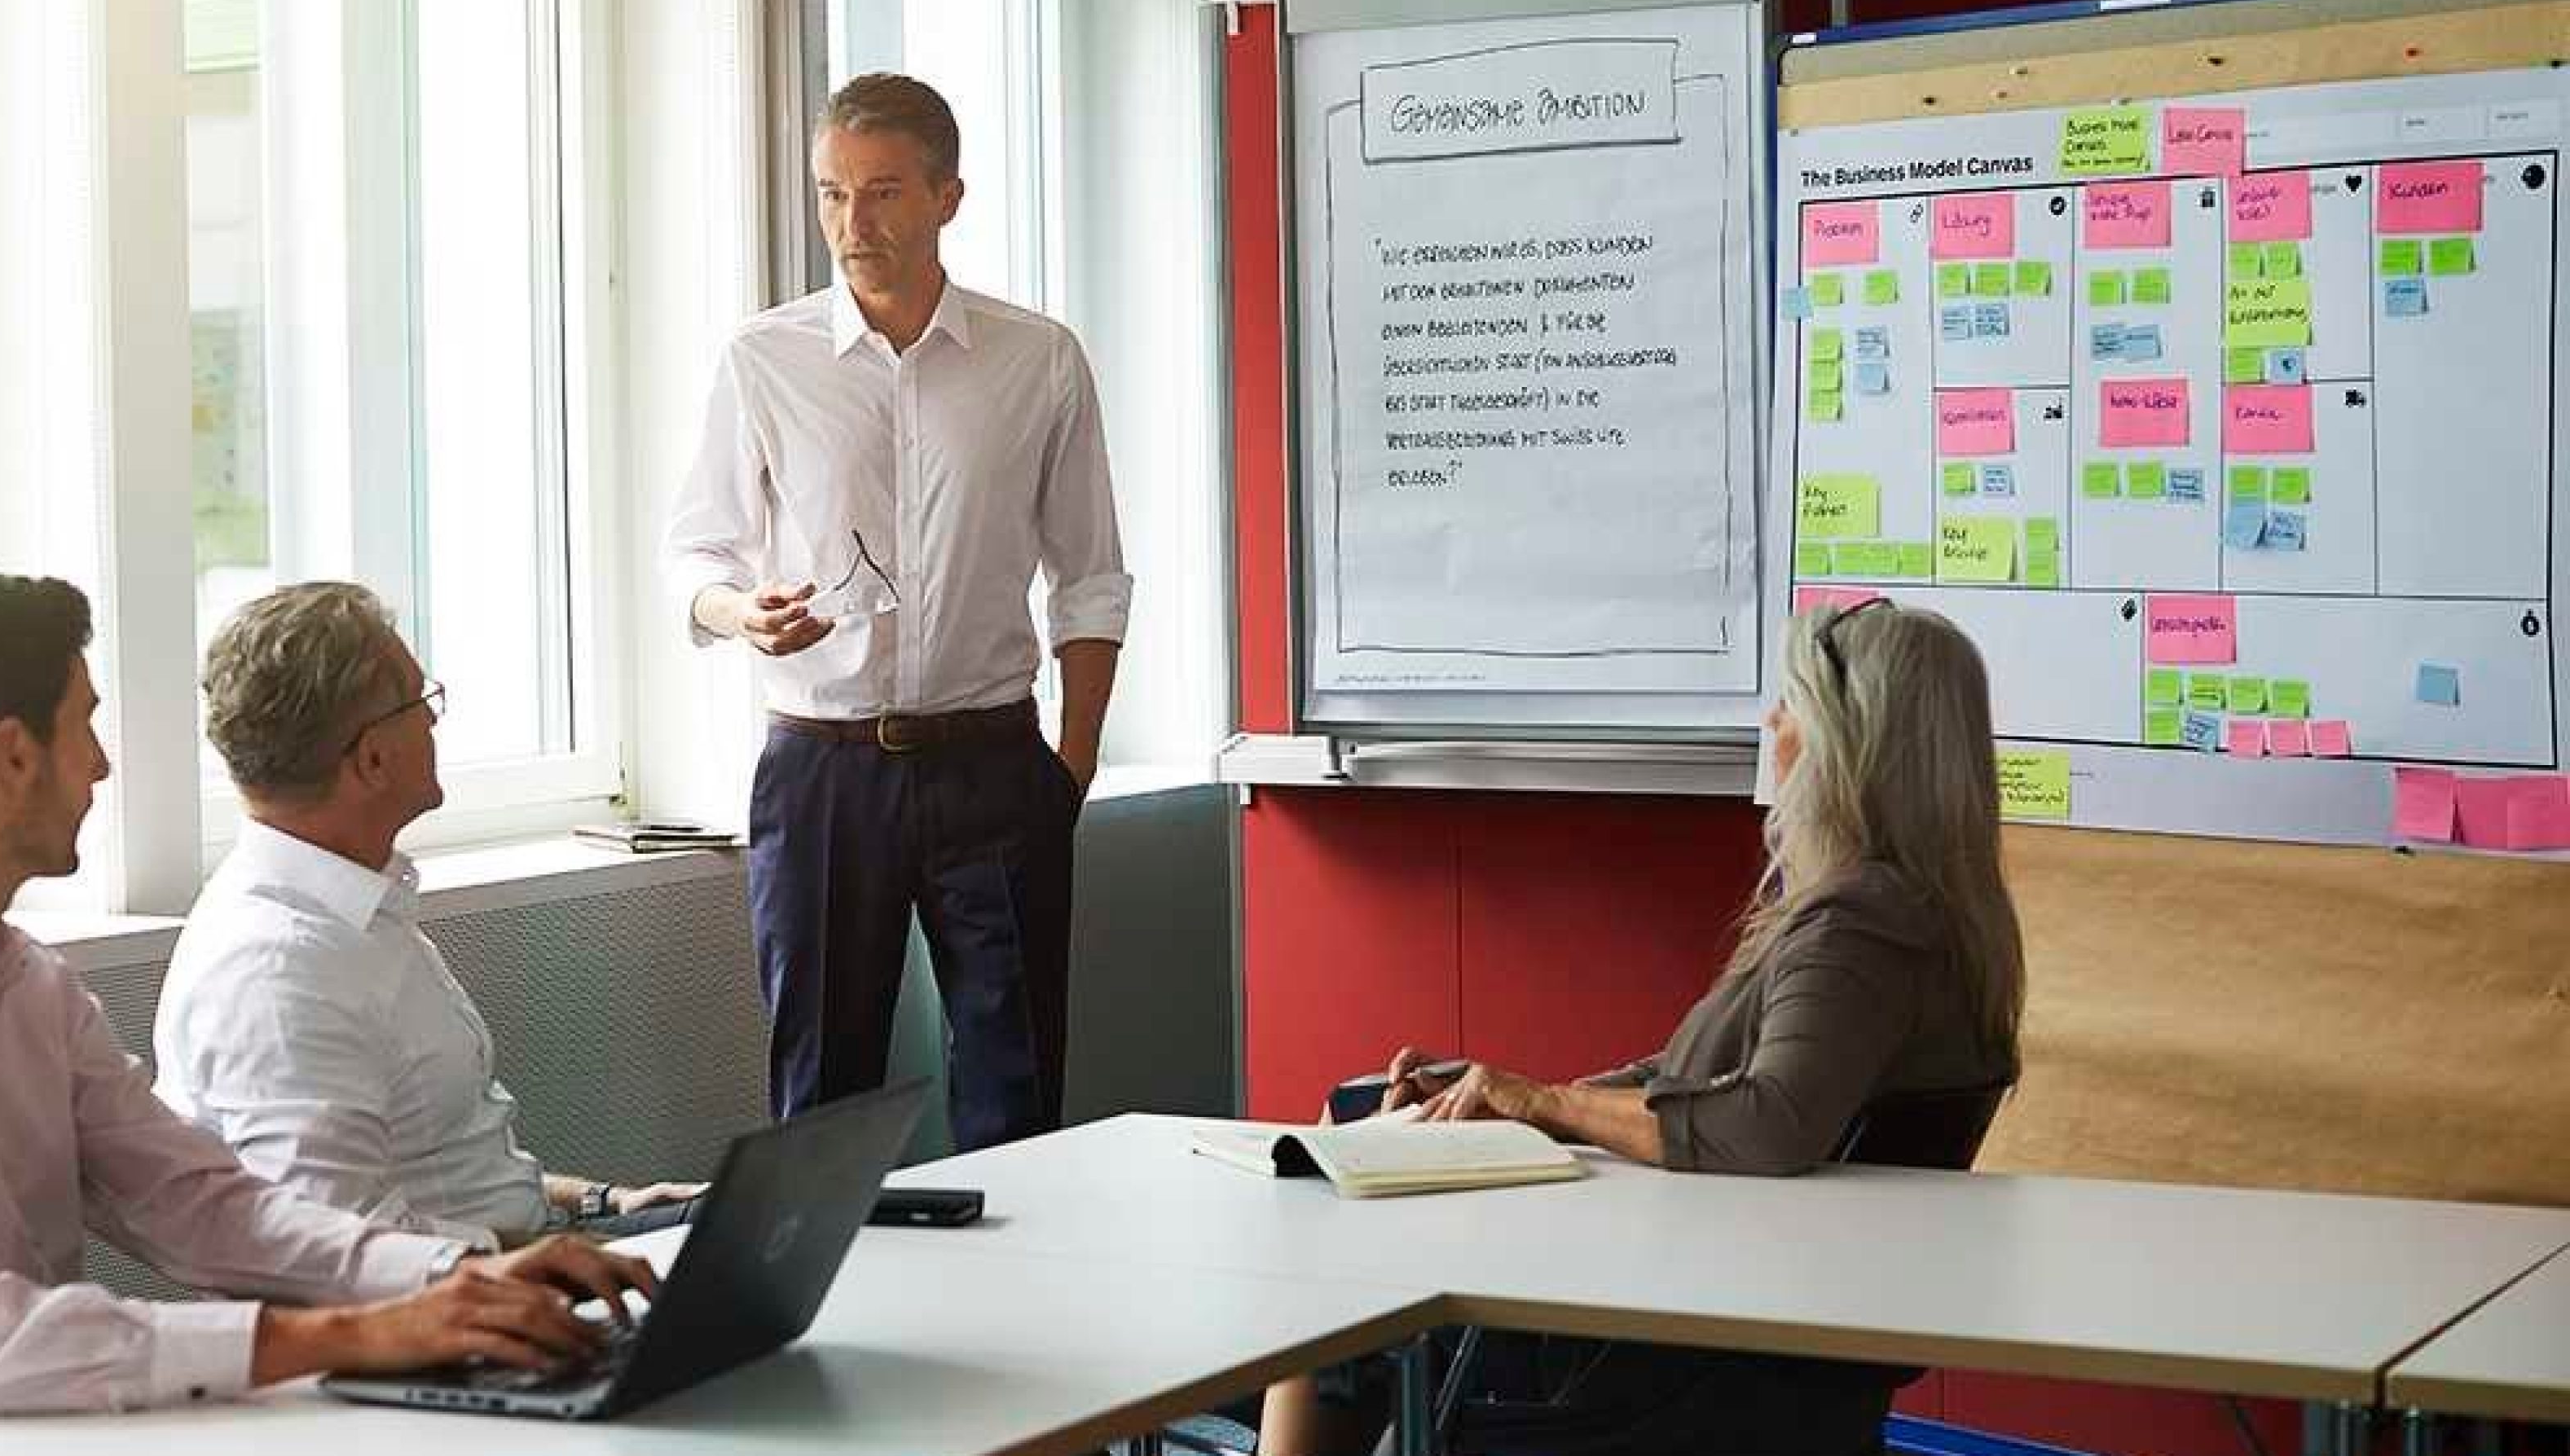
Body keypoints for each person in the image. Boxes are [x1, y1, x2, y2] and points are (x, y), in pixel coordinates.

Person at [0, 572, 655, 1455]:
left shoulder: (28, 984)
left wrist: (452, 1276)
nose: (99, 766)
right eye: (82, 725)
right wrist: (357, 1330)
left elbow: (207, 1206)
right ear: (13, 755)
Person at [1260, 597, 2025, 1456]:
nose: (1772, 722)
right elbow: (1711, 1082)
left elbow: (1766, 1121)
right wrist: (1513, 1098)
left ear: (1854, 746)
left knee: (1336, 1228)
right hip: (1746, 1336)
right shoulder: (1934, 920)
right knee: (1363, 1115)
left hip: (1680, 1356)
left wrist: (1543, 1101)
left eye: (1794, 705)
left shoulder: (1859, 926)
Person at [663, 70, 1131, 1150]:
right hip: (822, 771)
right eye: (831, 194)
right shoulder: (763, 360)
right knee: (822, 1096)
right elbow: (695, 548)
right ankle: (831, 1319)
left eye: (880, 193)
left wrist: (1074, 764)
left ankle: (1013, 1321)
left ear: (947, 198)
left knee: (1019, 1098)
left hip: (997, 765)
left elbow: (1092, 574)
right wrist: (743, 614)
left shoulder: (1039, 359)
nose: (850, 224)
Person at [156, 580, 703, 1247]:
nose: (435, 721)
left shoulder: (357, 904)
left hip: (525, 1259)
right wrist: (571, 1263)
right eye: (422, 702)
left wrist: (604, 1205)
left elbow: (447, 1169)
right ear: (373, 759)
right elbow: (348, 1264)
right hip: (469, 1315)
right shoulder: (277, 974)